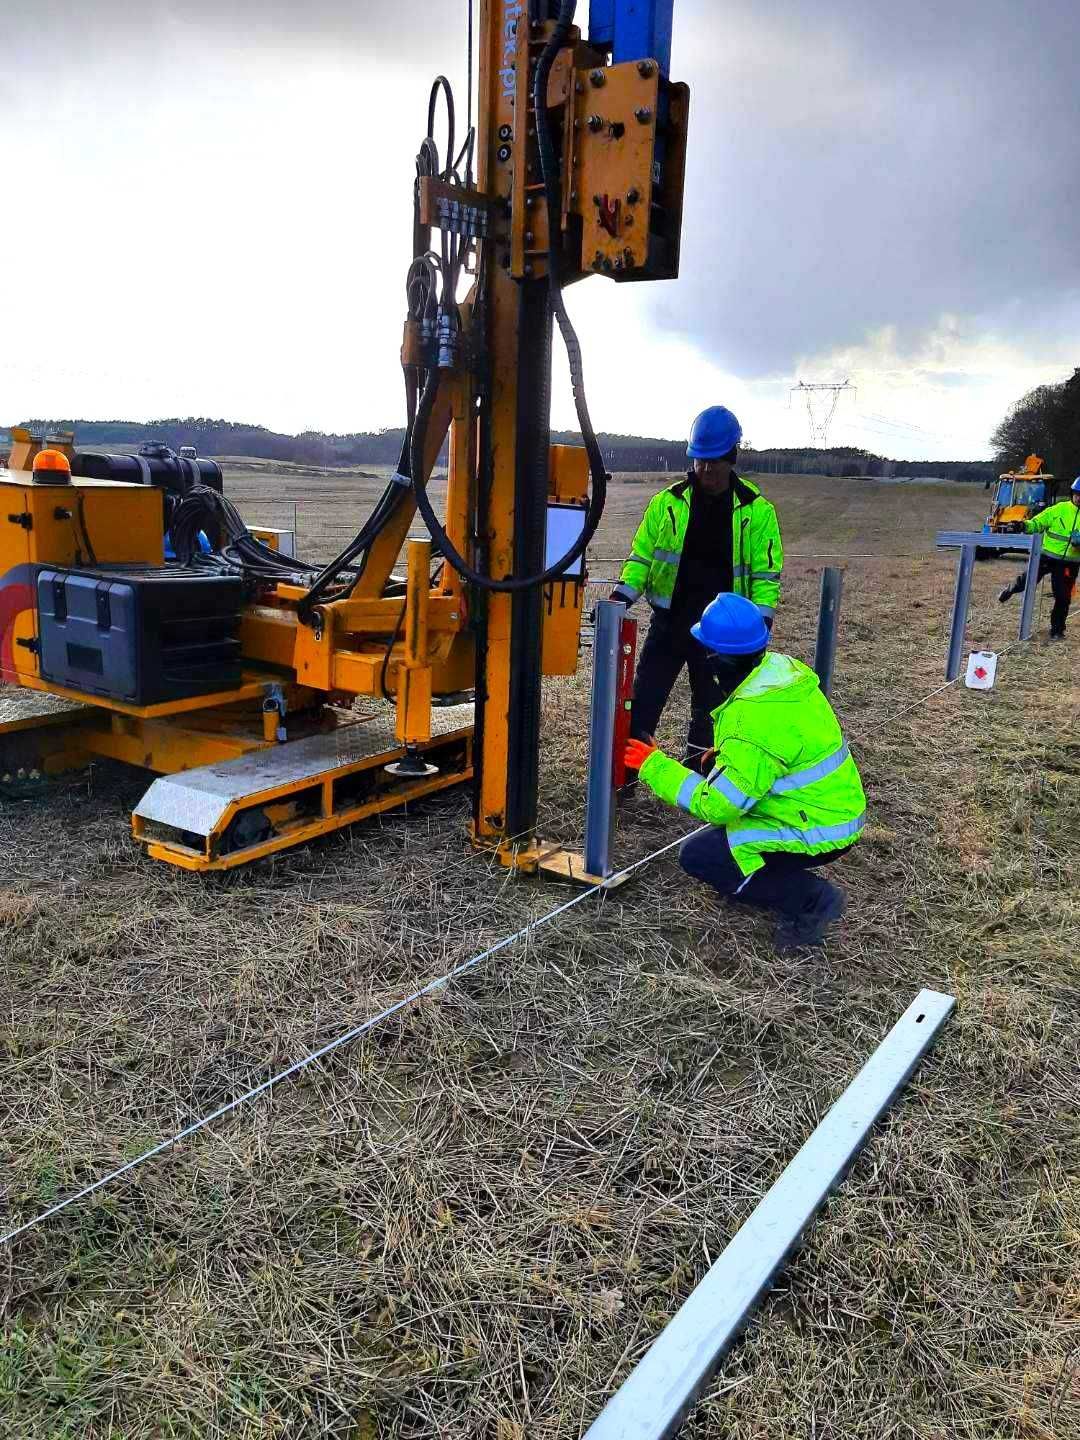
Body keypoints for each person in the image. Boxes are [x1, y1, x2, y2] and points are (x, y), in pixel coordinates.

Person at [624, 592, 865, 955]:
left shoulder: (750, 719)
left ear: (719, 659)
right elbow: (780, 749)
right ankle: (763, 877)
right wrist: (726, 758)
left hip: (819, 827)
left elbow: (719, 806)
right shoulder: (779, 676)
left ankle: (813, 900)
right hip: (832, 810)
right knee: (723, 844)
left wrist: (652, 765)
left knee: (703, 857)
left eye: (707, 653)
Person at [610, 406, 783, 768]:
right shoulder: (667, 504)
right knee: (643, 703)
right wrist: (622, 596)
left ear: (732, 457)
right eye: (699, 461)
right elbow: (641, 557)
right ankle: (625, 779)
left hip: (721, 633)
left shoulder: (757, 511)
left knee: (711, 711)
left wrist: (761, 620)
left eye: (714, 461)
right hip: (670, 622)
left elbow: (767, 575)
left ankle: (698, 783)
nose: (705, 469)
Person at [998, 476, 1080, 639]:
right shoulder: (1058, 509)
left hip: (1069, 564)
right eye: (1077, 493)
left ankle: (1057, 631)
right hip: (1046, 557)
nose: (1079, 497)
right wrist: (1022, 525)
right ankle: (1011, 589)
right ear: (1072, 493)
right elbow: (1037, 523)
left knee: (1063, 598)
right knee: (1027, 580)